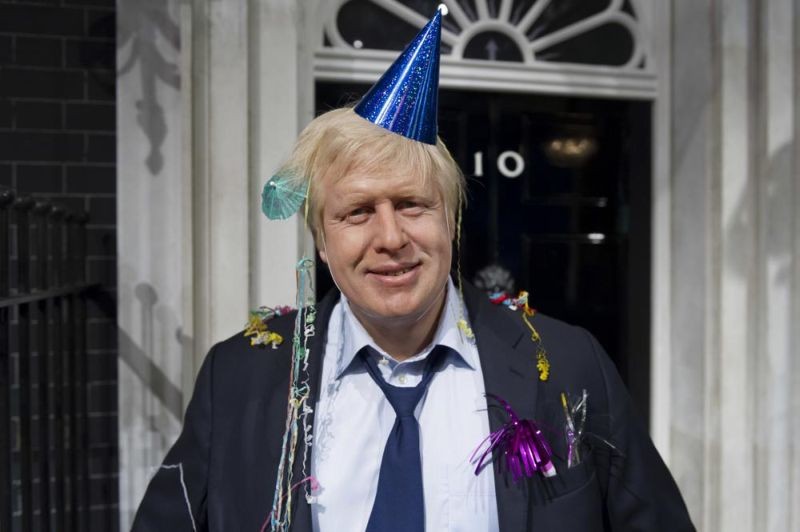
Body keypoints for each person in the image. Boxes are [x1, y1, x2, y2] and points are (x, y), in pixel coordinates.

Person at [132, 9, 694, 532]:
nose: (391, 237)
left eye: (411, 205)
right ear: (322, 242)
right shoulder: (238, 378)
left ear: (449, 221)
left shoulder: (572, 366)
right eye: (356, 213)